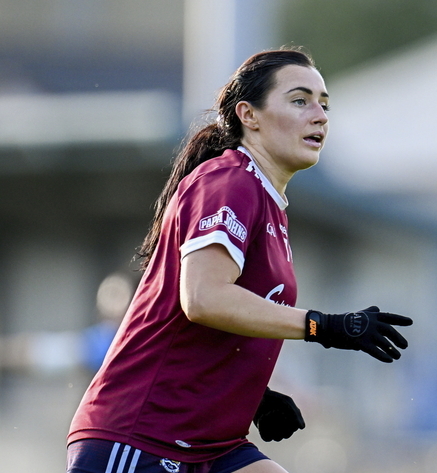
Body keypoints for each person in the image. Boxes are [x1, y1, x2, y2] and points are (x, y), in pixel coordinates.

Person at [66, 48, 413, 473]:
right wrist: (325, 325)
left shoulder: (268, 202)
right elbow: (203, 299)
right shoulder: (230, 180)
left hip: (209, 445)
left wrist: (253, 395)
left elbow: (216, 327)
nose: (320, 116)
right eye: (300, 100)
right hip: (142, 436)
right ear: (249, 115)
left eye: (324, 105)